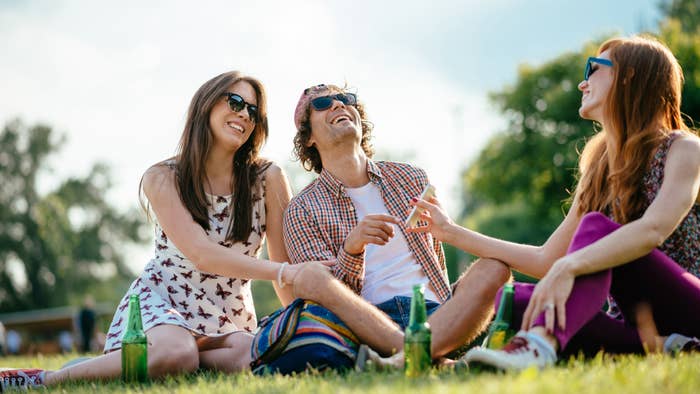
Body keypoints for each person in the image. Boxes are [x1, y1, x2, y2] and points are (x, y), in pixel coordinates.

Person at [0, 71, 329, 389]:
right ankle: (44, 379)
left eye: (253, 111)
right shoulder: (162, 176)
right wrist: (287, 272)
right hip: (162, 302)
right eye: (235, 102)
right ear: (206, 105)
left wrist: (305, 320)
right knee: (176, 352)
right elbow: (202, 254)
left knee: (254, 356)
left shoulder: (268, 178)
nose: (244, 115)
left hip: (229, 315)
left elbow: (287, 273)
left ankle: (149, 361)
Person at [404, 36, 699, 370]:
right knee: (512, 301)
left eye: (594, 67)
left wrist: (570, 265)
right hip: (637, 322)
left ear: (629, 75)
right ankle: (668, 346)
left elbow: (653, 230)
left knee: (596, 229)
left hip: (689, 305)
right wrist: (452, 232)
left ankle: (540, 345)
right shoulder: (600, 167)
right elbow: (547, 259)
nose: (582, 81)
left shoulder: (684, 149)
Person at [283, 83, 511, 364]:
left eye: (345, 99)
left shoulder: (411, 178)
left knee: (494, 268)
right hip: (365, 326)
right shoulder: (302, 208)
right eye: (322, 104)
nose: (338, 105)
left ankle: (407, 357)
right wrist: (352, 250)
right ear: (308, 139)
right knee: (309, 277)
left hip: (435, 314)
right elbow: (324, 301)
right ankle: (429, 357)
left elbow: (435, 259)